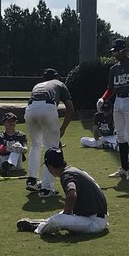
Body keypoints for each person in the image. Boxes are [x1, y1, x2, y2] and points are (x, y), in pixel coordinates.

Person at [17, 147, 109, 236]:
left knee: (56, 220)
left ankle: (37, 228)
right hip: (95, 216)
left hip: (93, 222)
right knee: (58, 216)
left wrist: (66, 216)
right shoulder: (74, 170)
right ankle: (42, 222)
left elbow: (72, 194)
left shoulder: (66, 175)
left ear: (50, 166)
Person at [98, 39, 129, 181]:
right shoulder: (114, 69)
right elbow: (111, 88)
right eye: (114, 52)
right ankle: (124, 168)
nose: (115, 54)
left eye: (117, 51)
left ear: (124, 50)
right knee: (120, 136)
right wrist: (103, 98)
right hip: (118, 100)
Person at [24, 68, 75, 196]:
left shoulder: (38, 85)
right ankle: (47, 188)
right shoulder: (59, 84)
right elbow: (70, 110)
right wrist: (62, 128)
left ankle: (32, 180)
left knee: (35, 145)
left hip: (30, 109)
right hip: (47, 107)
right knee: (52, 148)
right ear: (57, 76)